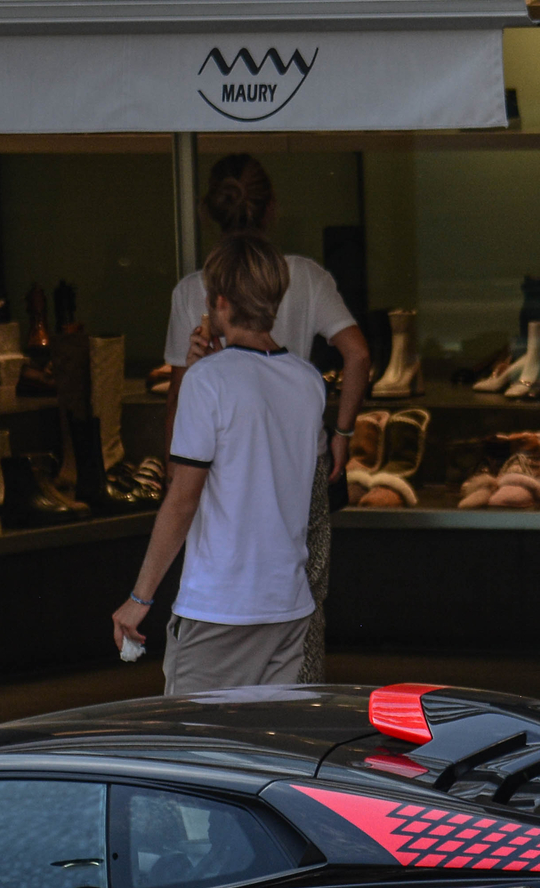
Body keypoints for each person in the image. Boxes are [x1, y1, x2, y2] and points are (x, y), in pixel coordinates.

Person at [162, 153, 370, 682]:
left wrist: (174, 470)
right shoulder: (304, 275)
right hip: (299, 460)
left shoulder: (195, 290)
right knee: (304, 598)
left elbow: (181, 398)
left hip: (220, 464)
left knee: (220, 596)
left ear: (210, 210)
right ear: (272, 208)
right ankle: (294, 712)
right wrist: (341, 433)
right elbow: (358, 354)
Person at [114, 234, 326, 693]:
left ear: (220, 302)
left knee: (193, 753)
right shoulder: (309, 382)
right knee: (265, 755)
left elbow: (183, 495)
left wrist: (139, 597)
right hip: (288, 605)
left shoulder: (207, 381)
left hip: (221, 607)